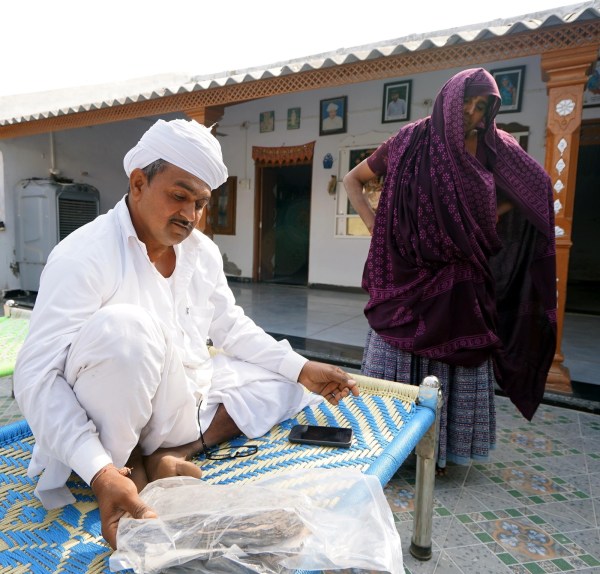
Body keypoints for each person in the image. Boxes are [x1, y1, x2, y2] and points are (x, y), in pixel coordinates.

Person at [13, 118, 359, 550]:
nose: (190, 216)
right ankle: (125, 467)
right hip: (110, 413)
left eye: (200, 203)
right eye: (179, 196)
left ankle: (168, 455)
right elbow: (35, 376)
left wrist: (302, 368)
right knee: (128, 331)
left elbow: (230, 326)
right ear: (138, 183)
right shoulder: (83, 255)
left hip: (182, 399)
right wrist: (99, 470)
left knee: (285, 380)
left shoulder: (202, 253)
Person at [343, 68, 556, 475]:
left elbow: (537, 187)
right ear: (449, 100)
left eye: (483, 107)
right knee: (397, 349)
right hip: (406, 276)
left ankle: (439, 453)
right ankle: (388, 445)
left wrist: (487, 219)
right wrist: (376, 225)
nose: (474, 115)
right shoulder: (409, 140)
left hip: (463, 276)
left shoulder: (495, 147)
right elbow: (354, 180)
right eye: (468, 103)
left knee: (457, 353)